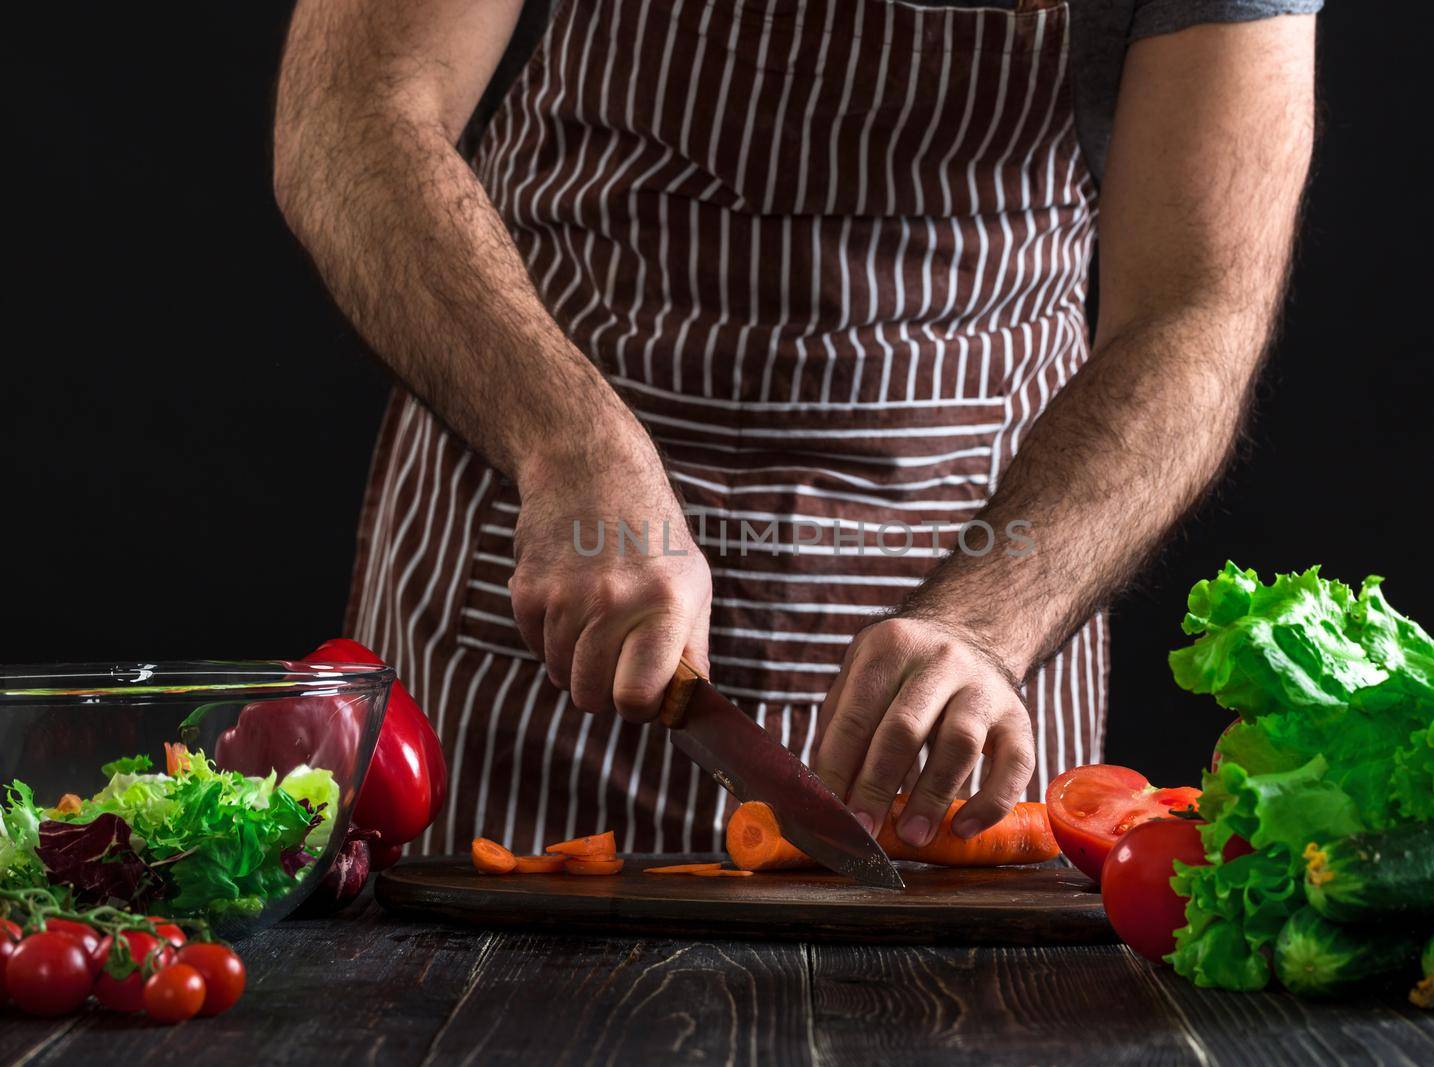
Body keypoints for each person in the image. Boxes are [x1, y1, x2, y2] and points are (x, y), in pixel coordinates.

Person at [273, 0, 1318, 857]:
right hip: (544, 548)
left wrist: (994, 620)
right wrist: (568, 442)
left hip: (977, 571)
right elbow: (351, 113)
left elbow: (1197, 305)